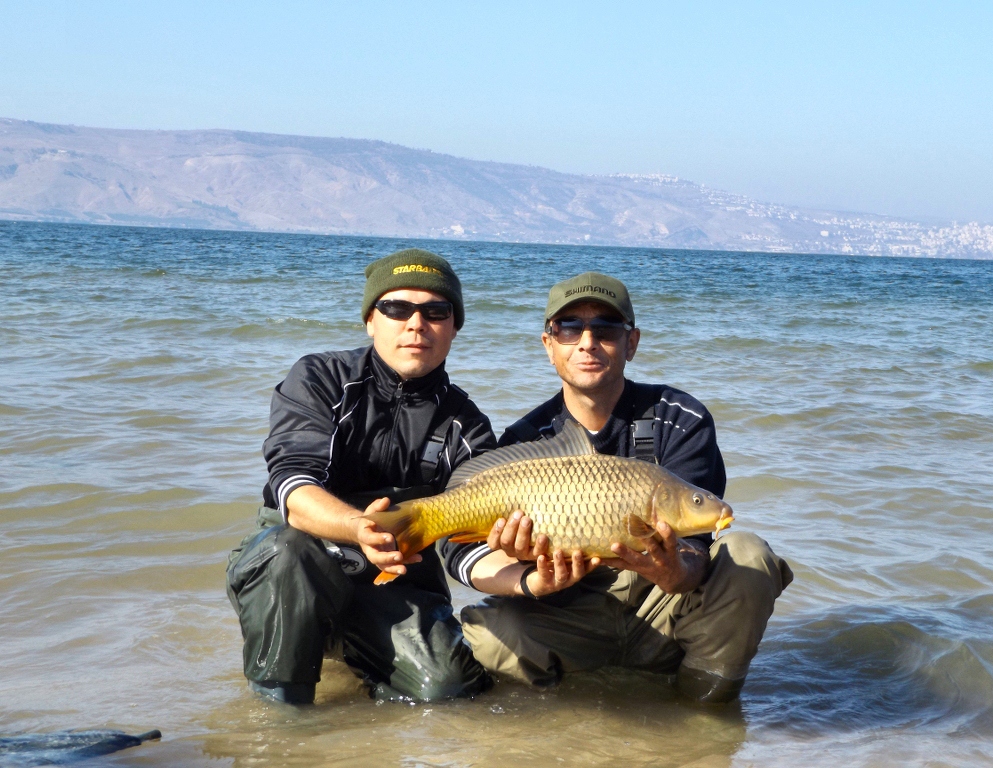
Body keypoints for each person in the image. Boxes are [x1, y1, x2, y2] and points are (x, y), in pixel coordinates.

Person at [441, 272, 792, 704]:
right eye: (569, 328)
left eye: (606, 329)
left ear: (632, 343)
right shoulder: (526, 440)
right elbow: (457, 549)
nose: (587, 342)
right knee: (492, 633)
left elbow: (699, 544)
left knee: (749, 556)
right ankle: (569, 718)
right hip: (572, 611)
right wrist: (529, 579)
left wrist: (676, 570)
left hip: (665, 609)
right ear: (549, 345)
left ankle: (704, 711)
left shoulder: (679, 417)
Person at [227, 248, 496, 705]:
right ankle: (280, 716)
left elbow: (464, 544)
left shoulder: (467, 426)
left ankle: (367, 653)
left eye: (436, 311)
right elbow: (292, 485)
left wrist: (529, 581)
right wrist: (359, 529)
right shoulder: (320, 378)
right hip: (297, 568)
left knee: (450, 691)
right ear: (371, 320)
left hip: (397, 585)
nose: (416, 323)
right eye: (397, 308)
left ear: (454, 327)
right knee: (286, 551)